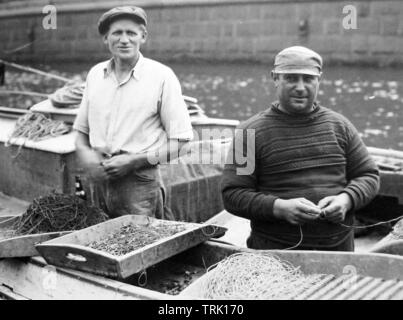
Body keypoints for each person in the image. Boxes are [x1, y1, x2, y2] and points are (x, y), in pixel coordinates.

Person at [221, 46, 379, 251]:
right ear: (275, 78)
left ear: (319, 80)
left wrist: (346, 200)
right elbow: (233, 194)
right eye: (291, 78)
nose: (300, 87)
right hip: (275, 254)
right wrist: (279, 208)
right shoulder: (250, 133)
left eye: (308, 79)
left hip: (340, 252)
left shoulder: (340, 126)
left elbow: (369, 176)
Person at [73, 6, 193, 219]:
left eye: (131, 33)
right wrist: (90, 160)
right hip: (99, 179)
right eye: (117, 33)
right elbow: (81, 134)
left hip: (139, 183)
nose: (124, 40)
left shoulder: (162, 76)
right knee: (99, 240)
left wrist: (133, 162)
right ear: (106, 39)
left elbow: (181, 144)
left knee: (140, 243)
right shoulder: (95, 75)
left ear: (143, 36)